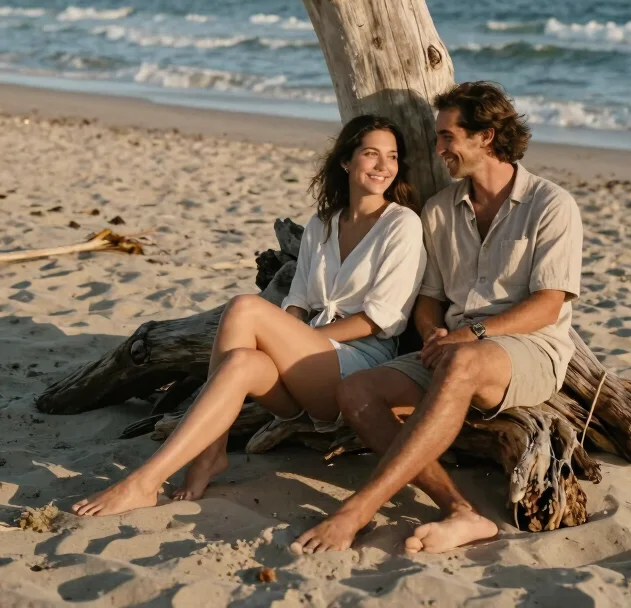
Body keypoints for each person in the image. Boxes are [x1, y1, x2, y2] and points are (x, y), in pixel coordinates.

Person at [73, 115, 426, 517]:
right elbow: (297, 298)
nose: (383, 166)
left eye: (392, 157)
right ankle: (186, 465)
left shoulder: (401, 224)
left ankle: (161, 474)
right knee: (241, 362)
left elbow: (380, 321)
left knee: (244, 307)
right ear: (346, 161)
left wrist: (296, 339)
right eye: (371, 154)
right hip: (304, 370)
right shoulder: (323, 223)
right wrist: (288, 338)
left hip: (357, 367)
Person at [292, 81, 582, 555]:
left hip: (532, 348)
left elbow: (548, 305)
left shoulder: (550, 206)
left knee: (463, 362)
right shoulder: (439, 209)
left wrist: (472, 334)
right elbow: (428, 299)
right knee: (356, 389)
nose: (438, 147)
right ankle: (460, 510)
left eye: (447, 136)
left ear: (485, 136)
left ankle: (357, 510)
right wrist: (432, 333)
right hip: (456, 347)